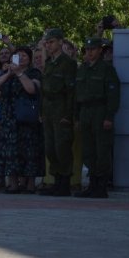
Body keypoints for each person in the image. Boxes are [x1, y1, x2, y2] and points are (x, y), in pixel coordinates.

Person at [75, 38, 121, 198]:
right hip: (85, 111)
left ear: (99, 50)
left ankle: (101, 186)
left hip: (100, 110)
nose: (89, 52)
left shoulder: (106, 69)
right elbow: (77, 95)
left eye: (92, 49)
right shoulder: (82, 69)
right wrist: (78, 117)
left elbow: (113, 95)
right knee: (88, 149)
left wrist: (109, 116)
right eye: (87, 50)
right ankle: (92, 184)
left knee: (102, 149)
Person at [0, 46, 43, 193]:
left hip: (27, 118)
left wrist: (20, 73)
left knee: (29, 151)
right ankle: (13, 183)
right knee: (11, 151)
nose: (21, 58)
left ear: (30, 59)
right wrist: (9, 73)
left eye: (24, 56)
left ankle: (30, 184)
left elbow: (31, 89)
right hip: (9, 118)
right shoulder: (7, 73)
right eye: (17, 56)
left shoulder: (33, 72)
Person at [39, 28, 77, 196]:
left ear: (60, 42)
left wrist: (68, 115)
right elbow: (44, 89)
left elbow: (71, 92)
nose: (48, 45)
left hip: (61, 108)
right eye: (47, 42)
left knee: (62, 147)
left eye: (52, 42)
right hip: (48, 109)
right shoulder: (49, 63)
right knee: (50, 147)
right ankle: (56, 180)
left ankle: (64, 182)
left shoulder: (68, 63)